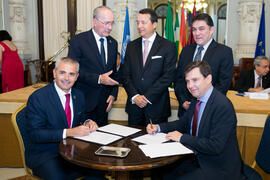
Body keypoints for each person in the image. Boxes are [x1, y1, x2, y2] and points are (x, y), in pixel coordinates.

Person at [147, 61, 244, 180]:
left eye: (195, 80)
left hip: (218, 166)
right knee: (160, 172)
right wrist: (159, 127)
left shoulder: (222, 105)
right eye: (187, 81)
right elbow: (183, 123)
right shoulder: (196, 99)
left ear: (208, 79)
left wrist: (182, 138)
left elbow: (215, 146)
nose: (190, 85)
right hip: (197, 157)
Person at [26, 57, 103, 180]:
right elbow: (35, 134)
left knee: (98, 172)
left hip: (74, 151)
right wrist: (68, 132)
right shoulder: (38, 98)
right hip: (47, 154)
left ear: (77, 76)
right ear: (54, 73)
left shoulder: (79, 95)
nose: (67, 78)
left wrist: (88, 122)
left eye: (71, 74)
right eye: (62, 73)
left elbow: (82, 117)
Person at [121, 8, 176, 126]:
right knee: (132, 143)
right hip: (134, 107)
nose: (139, 26)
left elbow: (168, 76)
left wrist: (147, 97)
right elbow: (125, 75)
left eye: (143, 22)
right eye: (137, 22)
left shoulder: (167, 46)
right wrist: (135, 96)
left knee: (155, 143)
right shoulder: (131, 46)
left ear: (154, 24)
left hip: (157, 107)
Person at [174, 13, 234, 117]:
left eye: (201, 29)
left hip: (210, 110)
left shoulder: (224, 52)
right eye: (194, 29)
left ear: (211, 30)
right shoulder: (186, 51)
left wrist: (202, 103)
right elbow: (179, 79)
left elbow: (223, 84)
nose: (197, 33)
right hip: (186, 110)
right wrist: (182, 101)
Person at [68, 6, 119, 126]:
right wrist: (98, 79)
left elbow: (114, 73)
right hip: (84, 102)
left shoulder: (113, 43)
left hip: (104, 105)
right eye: (106, 23)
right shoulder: (78, 41)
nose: (110, 27)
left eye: (112, 23)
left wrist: (113, 94)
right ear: (95, 21)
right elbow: (73, 71)